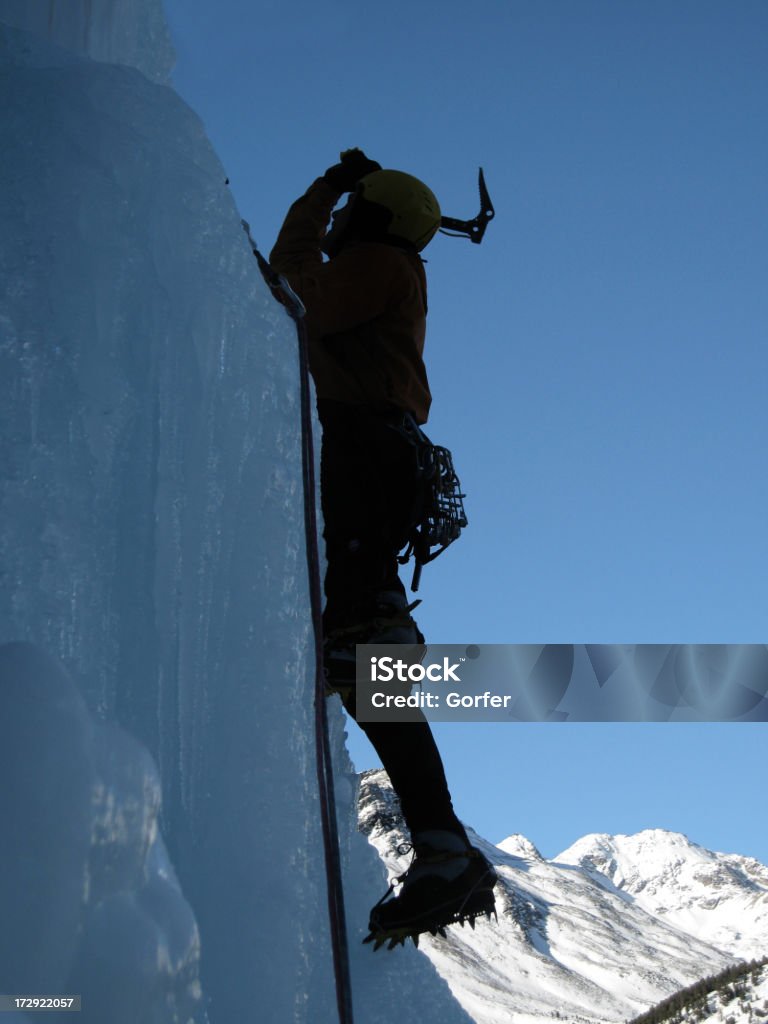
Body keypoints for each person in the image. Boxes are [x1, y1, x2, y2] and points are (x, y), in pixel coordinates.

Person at [269, 149, 497, 947]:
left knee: (364, 647)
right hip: (380, 455)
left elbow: (291, 291)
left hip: (365, 453)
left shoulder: (378, 264)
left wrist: (321, 184)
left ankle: (443, 848)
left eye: (348, 210)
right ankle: (441, 844)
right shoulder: (393, 266)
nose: (336, 222)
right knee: (363, 642)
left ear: (370, 220)